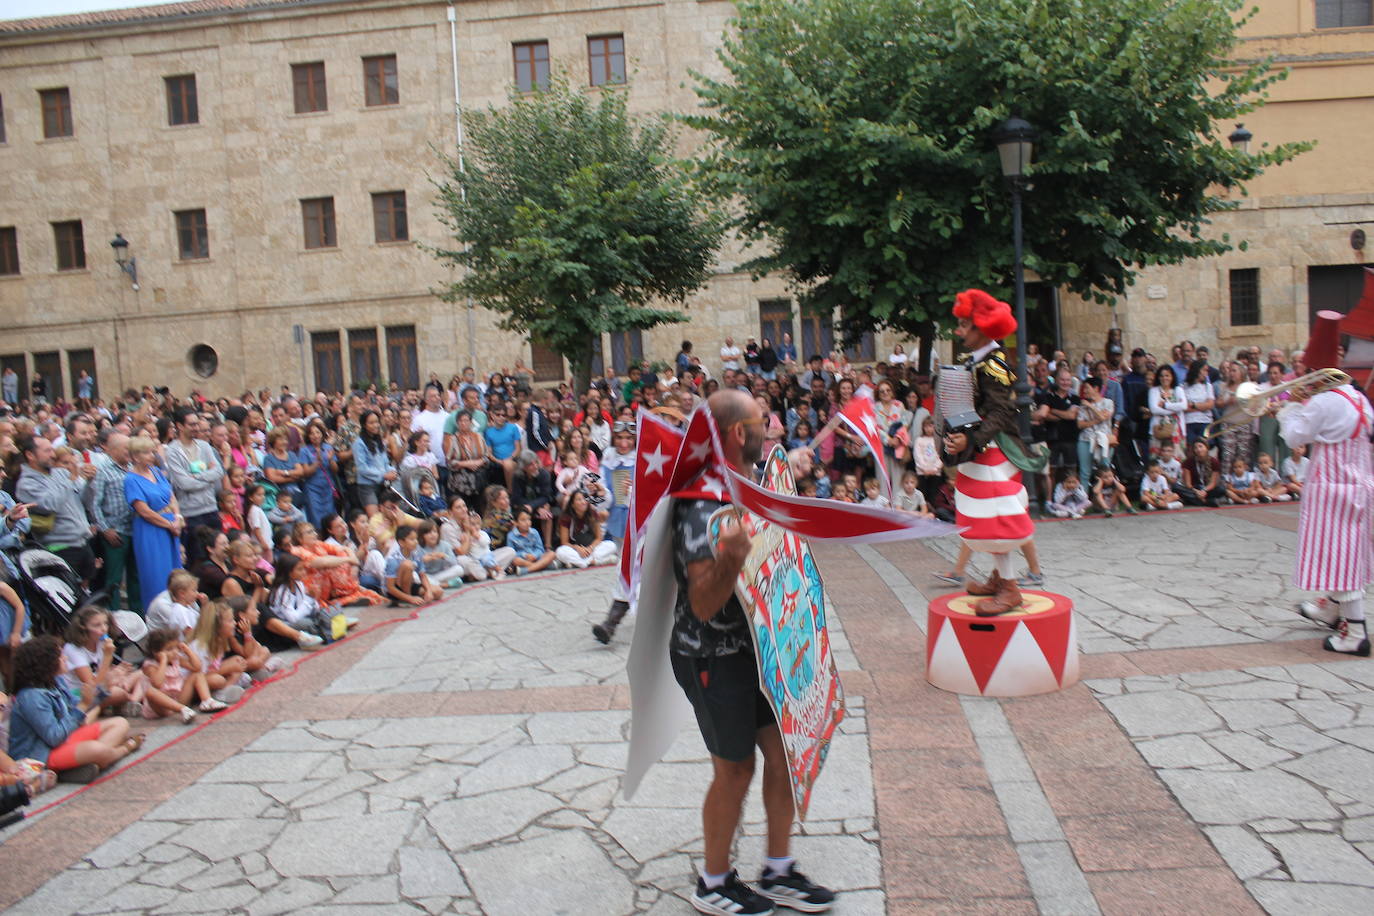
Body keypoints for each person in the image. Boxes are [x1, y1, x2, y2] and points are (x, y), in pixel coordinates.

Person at [669, 390, 835, 915]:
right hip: (712, 654)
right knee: (735, 770)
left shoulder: (752, 483)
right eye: (764, 421)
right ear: (740, 433)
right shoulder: (702, 504)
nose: (772, 427)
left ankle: (778, 871)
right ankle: (714, 883)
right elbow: (702, 603)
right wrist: (732, 557)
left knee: (785, 753)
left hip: (766, 649)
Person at [940, 290, 1037, 615]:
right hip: (983, 451)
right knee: (987, 519)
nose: (958, 331)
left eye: (964, 325)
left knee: (998, 519)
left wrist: (973, 441)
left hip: (994, 452)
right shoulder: (980, 360)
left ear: (981, 328)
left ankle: (1010, 589)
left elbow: (999, 413)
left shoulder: (992, 364)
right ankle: (1000, 577)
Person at [1283, 313, 1374, 655]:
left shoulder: (1322, 401)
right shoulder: (1359, 399)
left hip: (1332, 489)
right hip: (1360, 485)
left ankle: (1354, 635)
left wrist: (1291, 405)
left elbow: (1295, 436)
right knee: (1347, 558)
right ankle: (1331, 609)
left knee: (1341, 562)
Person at [8, 637, 140, 783]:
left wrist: (104, 687)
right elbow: (54, 737)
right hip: (42, 754)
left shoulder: (56, 681)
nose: (65, 658)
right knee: (96, 749)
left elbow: (78, 704)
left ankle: (76, 767)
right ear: (45, 662)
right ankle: (124, 749)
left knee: (120, 723)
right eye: (60, 655)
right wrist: (83, 706)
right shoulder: (31, 696)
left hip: (65, 739)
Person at [16, 434, 97, 585]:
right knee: (68, 599)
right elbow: (49, 505)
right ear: (30, 455)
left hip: (83, 543)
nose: (52, 455)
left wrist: (90, 482)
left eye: (52, 450)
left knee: (86, 597)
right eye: (47, 451)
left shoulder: (61, 473)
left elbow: (86, 502)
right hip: (60, 549)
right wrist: (69, 480)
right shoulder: (26, 484)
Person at [125, 436, 184, 613]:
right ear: (135, 456)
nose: (152, 455)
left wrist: (177, 517)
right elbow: (143, 511)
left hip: (171, 525)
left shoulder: (157, 472)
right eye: (146, 452)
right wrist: (169, 524)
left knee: (175, 572)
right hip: (151, 530)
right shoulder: (131, 479)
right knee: (157, 574)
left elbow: (171, 496)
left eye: (152, 451)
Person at [163, 408, 223, 557]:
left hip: (211, 508)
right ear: (180, 426)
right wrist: (207, 478)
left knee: (218, 553)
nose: (196, 428)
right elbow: (184, 484)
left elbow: (218, 472)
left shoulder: (204, 446)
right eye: (191, 424)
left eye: (197, 424)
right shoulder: (173, 451)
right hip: (190, 512)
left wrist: (196, 477)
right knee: (197, 556)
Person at [90, 432, 139, 612]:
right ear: (113, 450)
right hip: (116, 532)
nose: (130, 452)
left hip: (136, 530)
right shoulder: (103, 471)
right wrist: (105, 529)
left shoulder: (135, 468)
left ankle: (138, 616)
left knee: (136, 576)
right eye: (126, 448)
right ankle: (115, 620)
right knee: (114, 579)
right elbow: (95, 505)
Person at [556, 491, 617, 568]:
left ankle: (580, 563)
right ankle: (593, 562)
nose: (583, 502)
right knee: (560, 551)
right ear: (572, 504)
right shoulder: (566, 517)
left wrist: (590, 548)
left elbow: (599, 538)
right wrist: (577, 548)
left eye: (585, 499)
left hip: (591, 549)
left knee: (611, 545)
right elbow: (564, 542)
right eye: (579, 500)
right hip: (575, 550)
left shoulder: (593, 514)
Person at [1180, 438, 1223, 507]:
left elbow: (1213, 483)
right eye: (1196, 448)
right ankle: (1205, 501)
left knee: (1221, 489)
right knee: (1176, 487)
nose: (1198, 450)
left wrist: (1204, 491)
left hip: (1207, 489)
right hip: (1194, 489)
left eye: (1200, 446)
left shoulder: (1214, 462)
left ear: (1206, 447)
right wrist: (1197, 491)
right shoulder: (1188, 462)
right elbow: (1188, 484)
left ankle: (1194, 500)